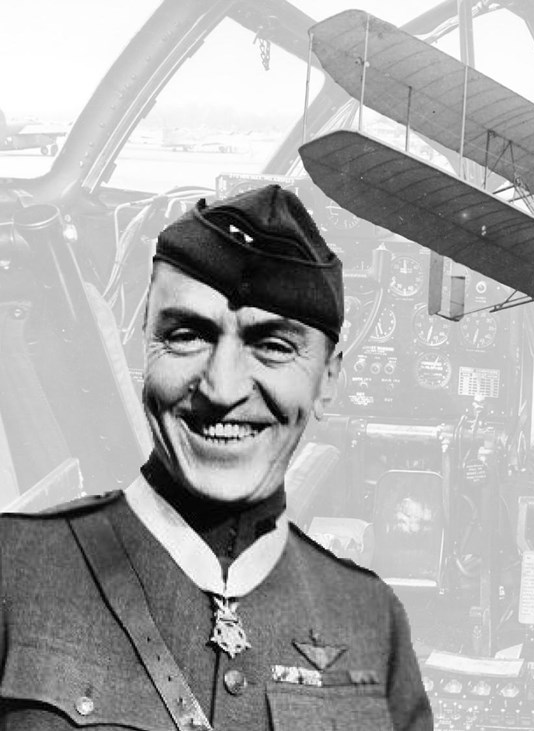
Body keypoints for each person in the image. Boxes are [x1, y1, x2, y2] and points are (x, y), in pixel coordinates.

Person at [0, 185, 434, 730]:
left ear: (329, 379)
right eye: (186, 336)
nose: (222, 387)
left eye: (273, 346)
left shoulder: (373, 626)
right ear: (144, 346)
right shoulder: (15, 572)